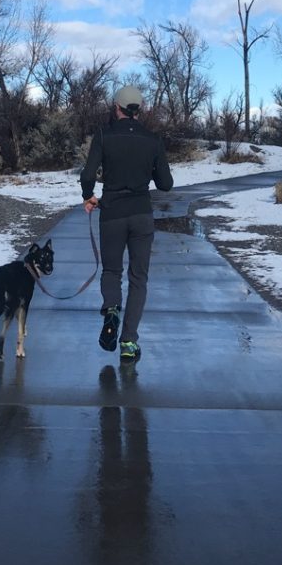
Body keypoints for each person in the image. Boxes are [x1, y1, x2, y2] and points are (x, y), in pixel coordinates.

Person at [80, 85, 174, 362]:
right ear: (139, 110)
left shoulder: (103, 136)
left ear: (116, 108)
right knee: (138, 278)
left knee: (111, 271)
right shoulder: (153, 139)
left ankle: (111, 309)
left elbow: (87, 174)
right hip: (142, 214)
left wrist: (88, 197)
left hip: (111, 212)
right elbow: (166, 185)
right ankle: (129, 342)